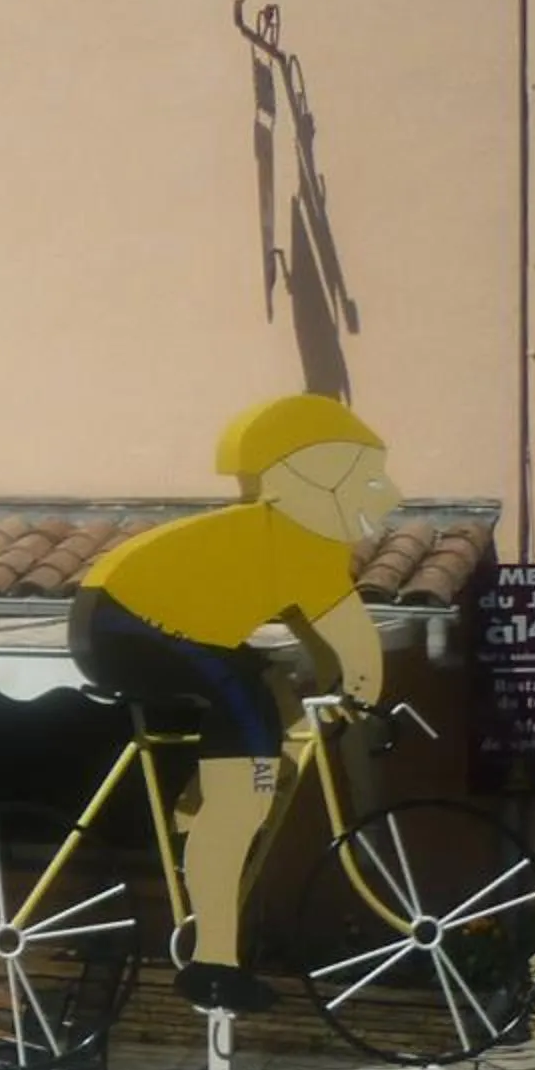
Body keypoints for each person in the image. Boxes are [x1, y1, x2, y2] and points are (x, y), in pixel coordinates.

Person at [66, 393, 403, 1010]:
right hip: (132, 624)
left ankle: (201, 810)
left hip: (112, 617)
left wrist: (330, 689)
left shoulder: (271, 534)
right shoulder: (302, 537)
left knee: (258, 677)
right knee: (244, 728)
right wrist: (364, 701)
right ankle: (214, 963)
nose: (388, 497)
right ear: (313, 479)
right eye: (370, 479)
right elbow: (354, 647)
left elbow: (316, 639)